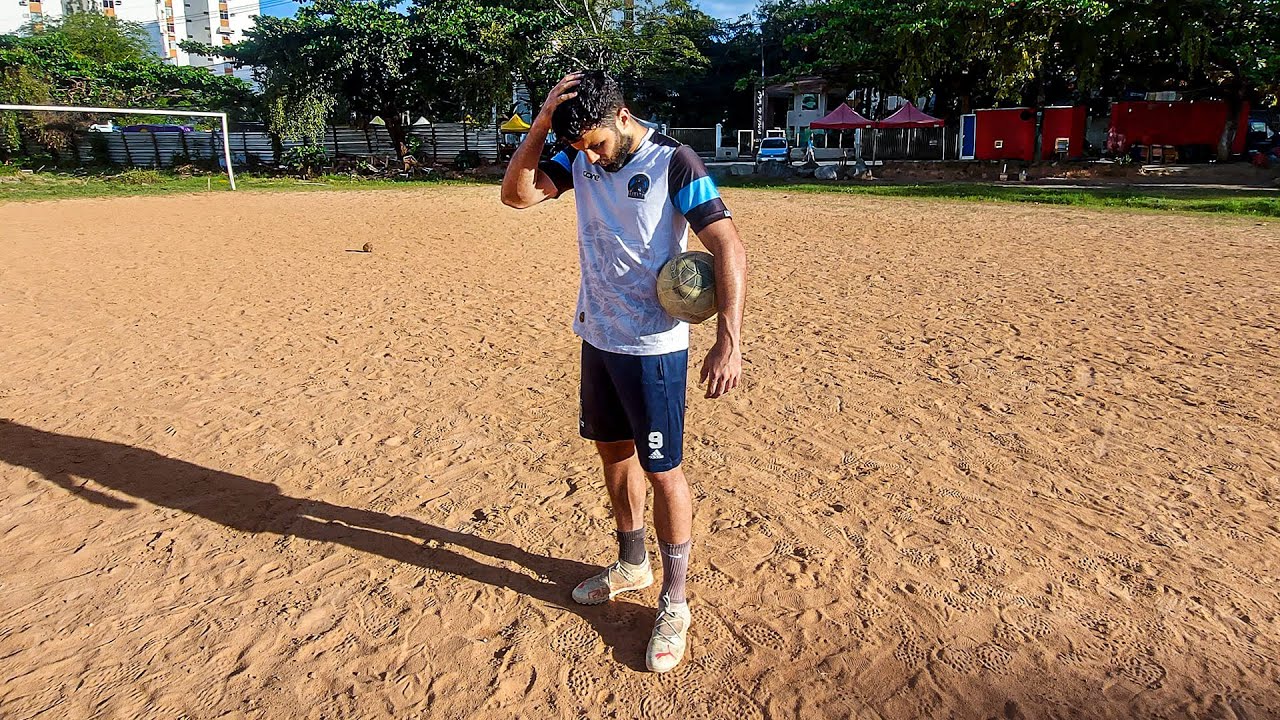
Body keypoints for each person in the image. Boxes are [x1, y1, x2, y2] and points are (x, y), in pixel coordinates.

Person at [500, 70, 747, 673]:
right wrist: (542, 122)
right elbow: (517, 194)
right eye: (579, 145)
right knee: (613, 455)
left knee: (664, 470)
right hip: (598, 334)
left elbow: (729, 246)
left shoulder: (674, 161)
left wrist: (729, 340)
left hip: (655, 345)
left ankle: (675, 600)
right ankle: (632, 561)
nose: (589, 156)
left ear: (624, 115)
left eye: (596, 142)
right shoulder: (577, 152)